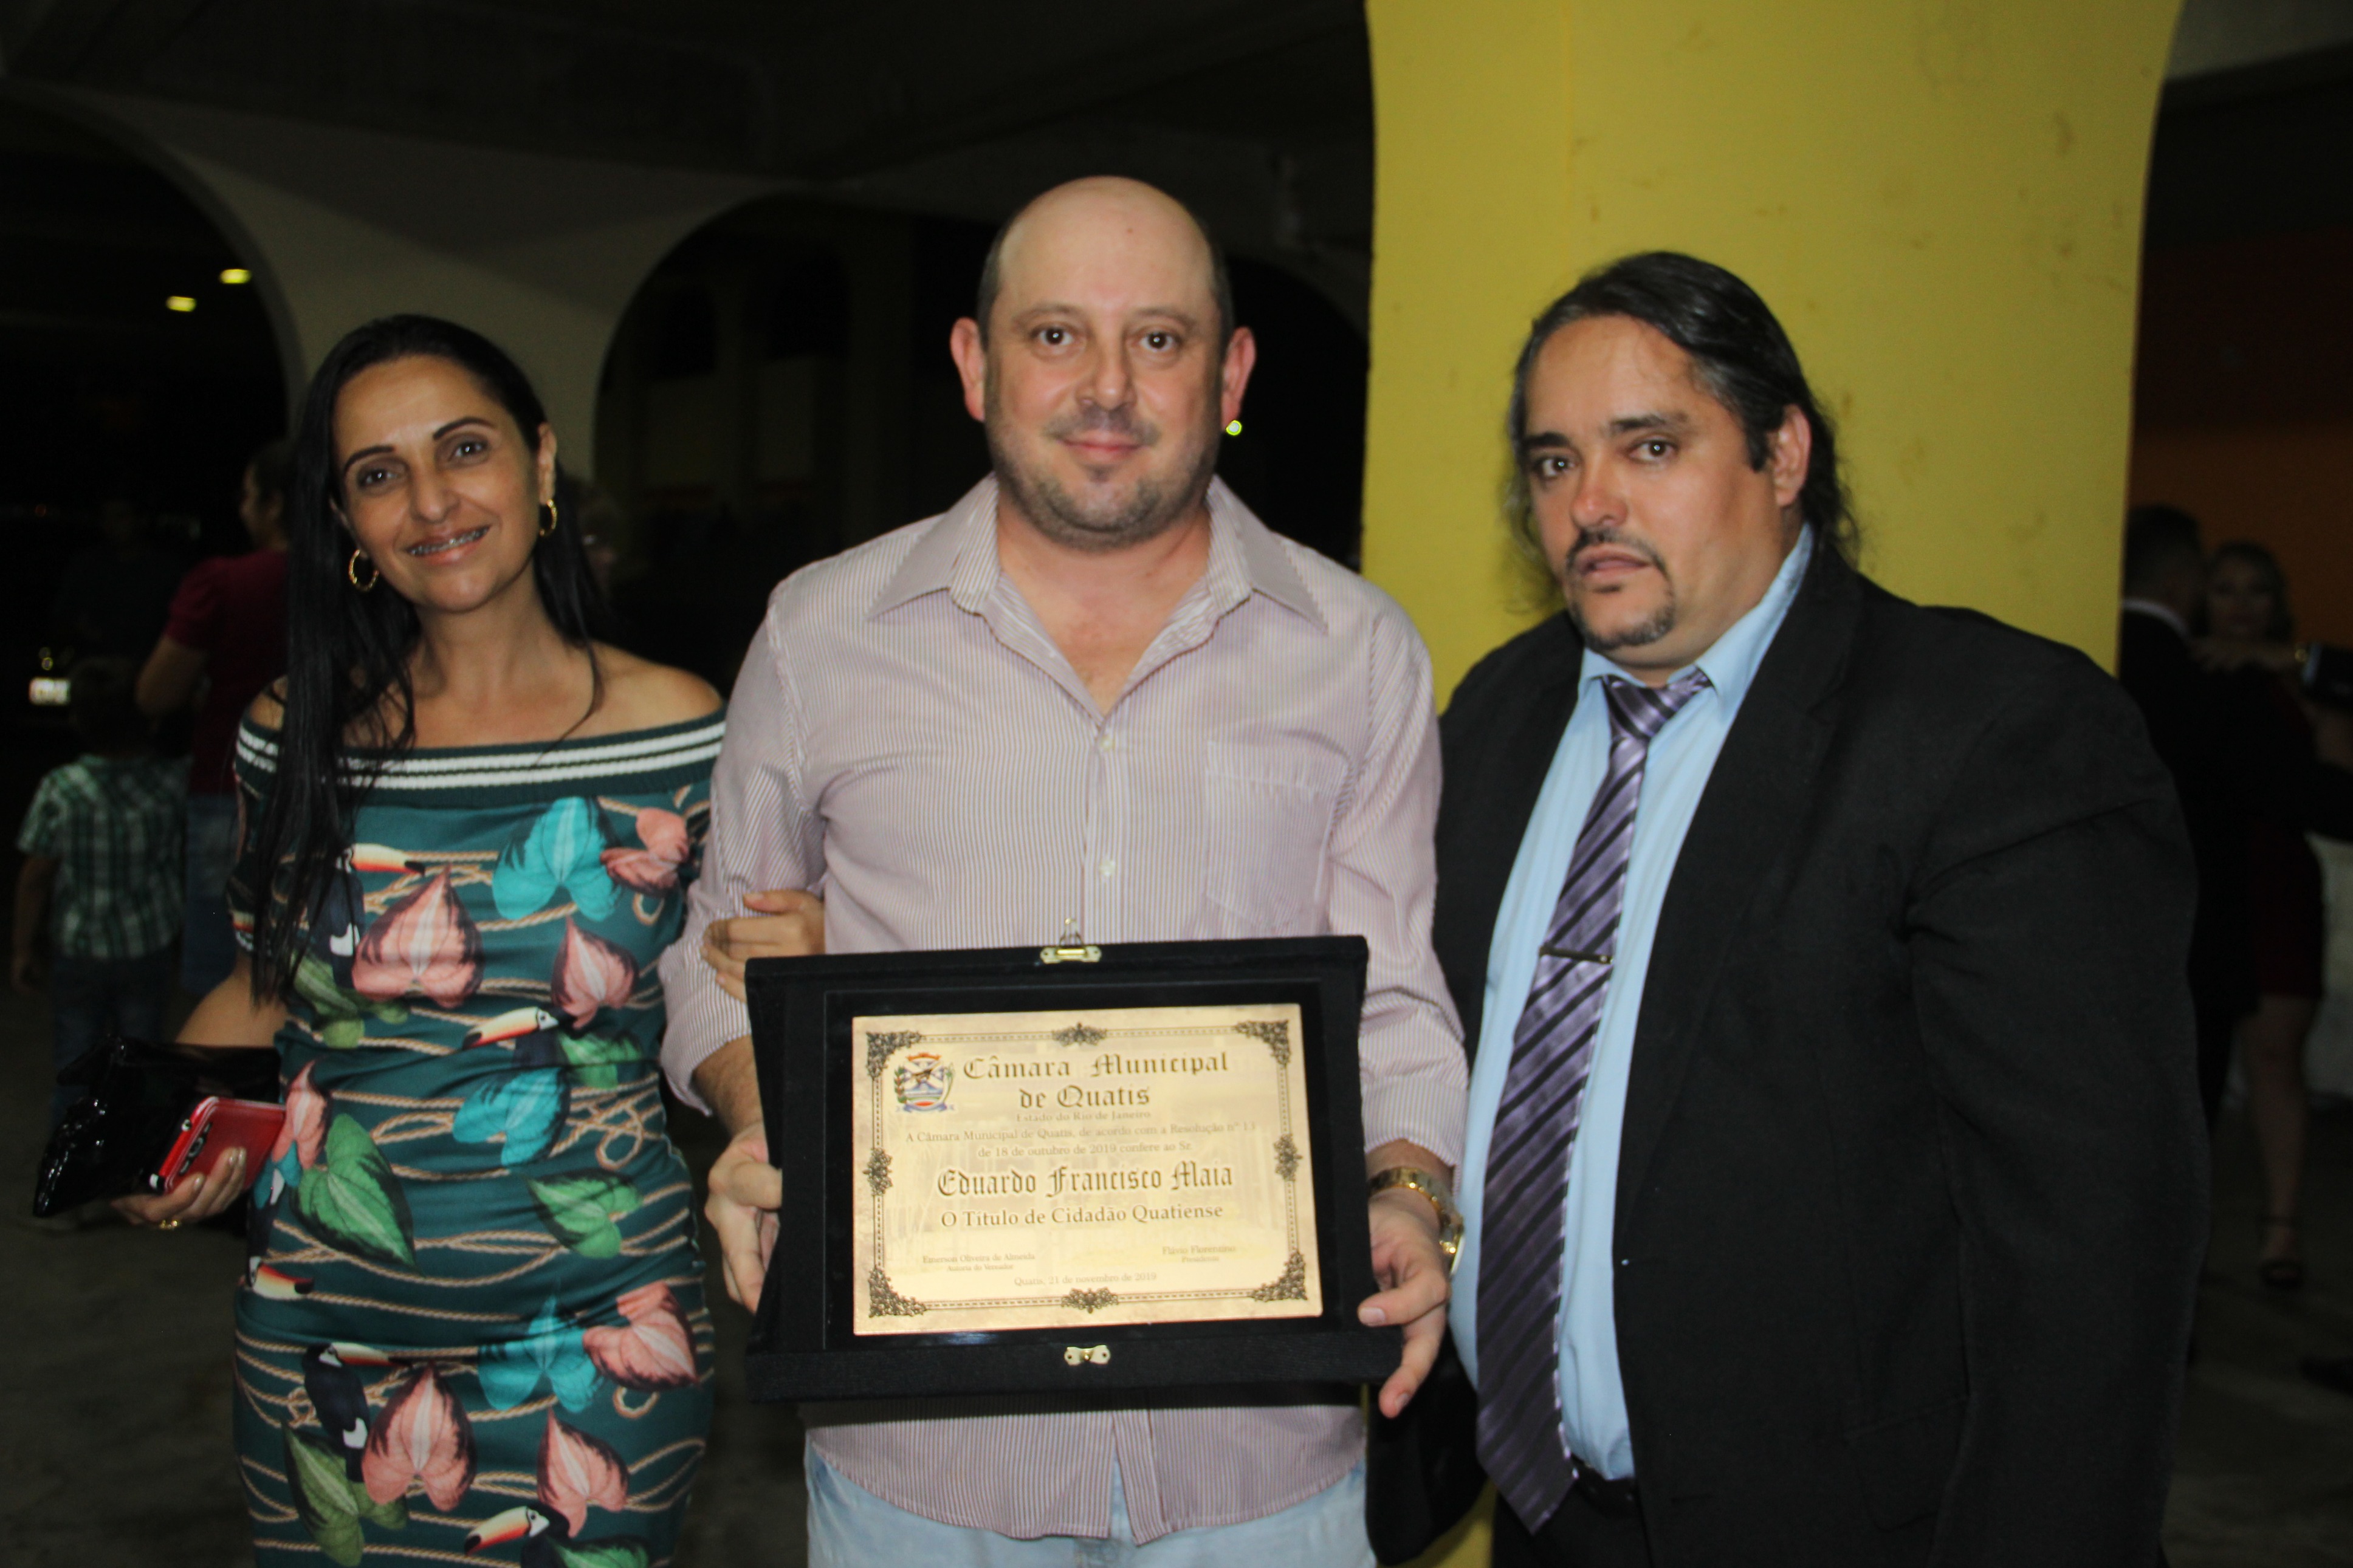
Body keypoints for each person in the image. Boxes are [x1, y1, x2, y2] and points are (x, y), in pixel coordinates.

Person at [659, 176, 1467, 1566]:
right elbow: (719, 954)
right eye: (1054, 336)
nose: (1106, 385)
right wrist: (754, 1116)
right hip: (922, 1467)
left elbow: (1390, 997)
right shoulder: (820, 635)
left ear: (1231, 373)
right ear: (975, 365)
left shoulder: (1358, 651)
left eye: (1157, 338)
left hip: (1258, 1466)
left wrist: (1410, 1193)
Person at [1407, 253, 2206, 1566]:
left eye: (1649, 446)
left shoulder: (1986, 733)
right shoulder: (1502, 711)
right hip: (1545, 1521)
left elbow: (2091, 1254)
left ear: (1783, 454)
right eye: (1553, 462)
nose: (1589, 504)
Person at [112, 316, 726, 1567]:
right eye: (379, 473)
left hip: (601, 1339)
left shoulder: (682, 731)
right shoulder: (296, 730)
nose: (432, 501)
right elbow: (263, 984)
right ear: (345, 518)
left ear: (539, 462)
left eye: (464, 449)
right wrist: (141, 1141)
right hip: (321, 1339)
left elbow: (736, 975)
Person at [2204, 541, 2334, 1290]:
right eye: (2224, 589)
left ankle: (2280, 1227)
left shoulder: (2305, 678)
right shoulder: (2185, 670)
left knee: (2276, 1059)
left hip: (2276, 880)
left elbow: (2335, 781)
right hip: (2209, 878)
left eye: (2254, 590)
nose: (2239, 605)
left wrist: (2284, 666)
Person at [138, 439, 294, 996]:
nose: (242, 508)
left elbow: (154, 693)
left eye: (249, 495)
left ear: (274, 503)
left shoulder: (227, 582)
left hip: (228, 793)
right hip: (328, 791)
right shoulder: (349, 581)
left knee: (223, 976)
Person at [2118, 503, 2256, 1125]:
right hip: (2199, 927)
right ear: (2180, 581)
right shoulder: (2212, 677)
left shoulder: (2081, 661)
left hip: (2105, 924)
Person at [13, 656, 185, 1132]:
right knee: (139, 1060)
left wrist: (23, 946)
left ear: (79, 720)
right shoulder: (169, 782)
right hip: (146, 946)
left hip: (80, 947)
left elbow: (36, 874)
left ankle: (72, 1158)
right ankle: (132, 1156)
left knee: (77, 1061)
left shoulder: (62, 787)